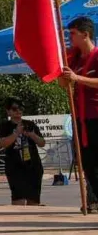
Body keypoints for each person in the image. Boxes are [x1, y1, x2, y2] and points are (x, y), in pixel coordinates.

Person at [61, 15, 98, 208]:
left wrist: (77, 78)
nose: (70, 38)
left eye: (73, 34)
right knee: (87, 165)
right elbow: (64, 83)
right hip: (80, 119)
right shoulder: (74, 59)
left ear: (85, 34)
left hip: (96, 117)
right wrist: (63, 75)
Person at [0, 98, 44, 206]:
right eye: (14, 109)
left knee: (33, 200)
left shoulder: (30, 124)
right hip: (15, 166)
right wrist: (16, 133)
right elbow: (3, 143)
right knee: (18, 200)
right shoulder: (5, 125)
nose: (18, 111)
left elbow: (42, 143)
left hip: (33, 165)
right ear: (8, 111)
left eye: (20, 108)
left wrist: (32, 135)